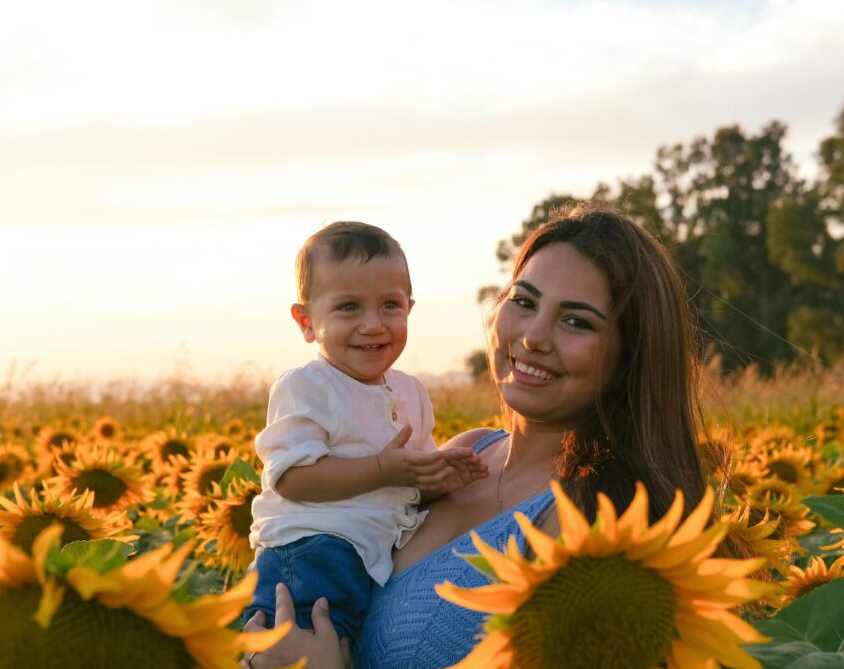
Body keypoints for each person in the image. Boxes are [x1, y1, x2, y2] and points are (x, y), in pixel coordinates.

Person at [243, 205, 710, 669]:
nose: (532, 338)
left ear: (632, 355)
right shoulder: (467, 451)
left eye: (576, 321)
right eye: (524, 302)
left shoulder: (596, 526)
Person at [243, 221, 489, 647]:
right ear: (306, 321)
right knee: (296, 650)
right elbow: (291, 478)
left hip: (371, 558)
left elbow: (405, 481)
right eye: (349, 308)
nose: (373, 324)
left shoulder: (410, 392)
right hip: (312, 553)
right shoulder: (307, 387)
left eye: (389, 305)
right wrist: (381, 469)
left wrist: (437, 477)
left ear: (409, 309)